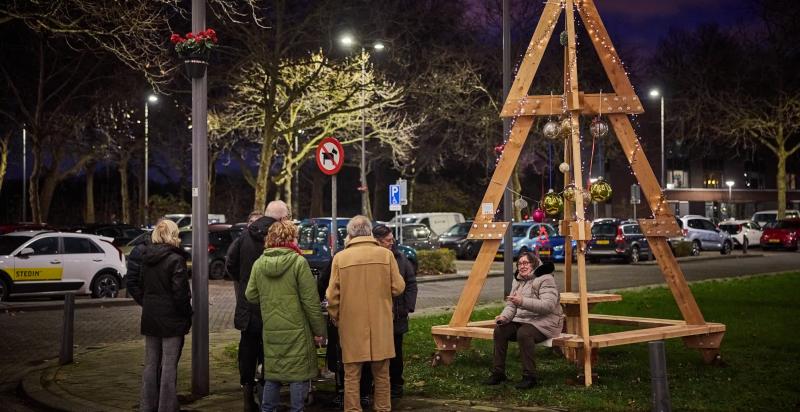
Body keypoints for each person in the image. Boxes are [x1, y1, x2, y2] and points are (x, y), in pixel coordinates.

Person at [245, 220, 326, 412]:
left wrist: (270, 302)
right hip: (297, 329)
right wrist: (320, 330)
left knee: (273, 373)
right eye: (296, 237)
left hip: (272, 329)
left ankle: (267, 409)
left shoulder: (259, 263)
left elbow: (250, 294)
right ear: (290, 238)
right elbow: (311, 302)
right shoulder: (298, 262)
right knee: (298, 374)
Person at [326, 216, 405, 412]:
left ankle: (353, 409)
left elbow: (332, 295)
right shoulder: (385, 256)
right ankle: (383, 408)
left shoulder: (340, 258)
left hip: (351, 323)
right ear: (369, 232)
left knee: (351, 374)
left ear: (350, 233)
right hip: (381, 322)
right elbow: (398, 287)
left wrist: (335, 316)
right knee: (382, 373)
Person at [226, 201, 290, 412]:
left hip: (248, 303)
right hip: (272, 304)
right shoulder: (278, 236)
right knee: (270, 351)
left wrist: (244, 283)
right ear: (280, 218)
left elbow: (230, 263)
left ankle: (247, 397)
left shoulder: (244, 236)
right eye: (287, 216)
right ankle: (267, 399)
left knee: (248, 349)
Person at [127, 219, 192, 412]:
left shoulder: (146, 257)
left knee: (150, 364)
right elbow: (180, 293)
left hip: (151, 316)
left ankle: (147, 406)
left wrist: (147, 303)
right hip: (171, 318)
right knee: (169, 366)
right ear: (173, 234)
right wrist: (187, 314)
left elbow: (138, 285)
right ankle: (166, 407)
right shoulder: (175, 259)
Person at [485, 252, 563, 389]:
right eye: (519, 263)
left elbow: (548, 306)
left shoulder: (545, 279)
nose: (522, 266)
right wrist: (504, 317)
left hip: (546, 322)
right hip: (524, 320)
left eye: (526, 263)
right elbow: (511, 305)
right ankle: (498, 373)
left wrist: (523, 301)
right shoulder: (518, 280)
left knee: (524, 333)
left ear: (534, 264)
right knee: (500, 330)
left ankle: (530, 377)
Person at [371, 224, 418, 399]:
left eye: (393, 240)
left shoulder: (400, 259)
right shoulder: (374, 259)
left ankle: (396, 384)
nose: (392, 243)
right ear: (377, 241)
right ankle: (377, 384)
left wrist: (407, 306)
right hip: (378, 315)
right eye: (388, 240)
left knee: (396, 353)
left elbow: (411, 283)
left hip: (397, 315)